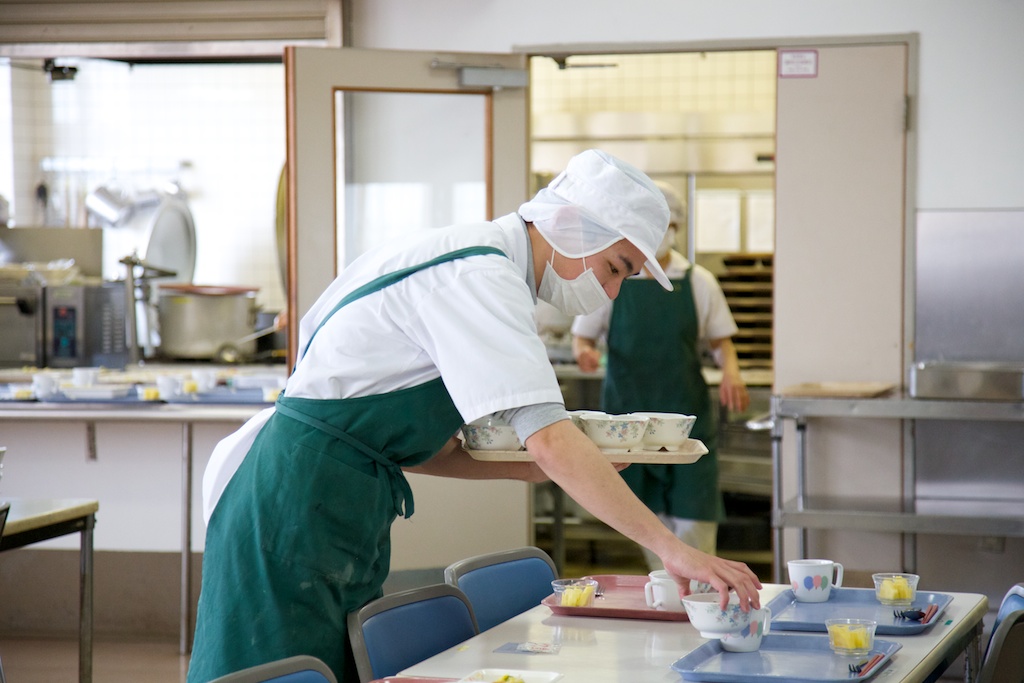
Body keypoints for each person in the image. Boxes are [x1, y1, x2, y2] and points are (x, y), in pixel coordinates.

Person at [187, 150, 761, 682]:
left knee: (334, 665)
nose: (611, 292)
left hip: (336, 501)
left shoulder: (487, 267)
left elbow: (427, 449)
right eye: (615, 267)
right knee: (278, 666)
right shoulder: (479, 274)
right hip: (289, 504)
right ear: (571, 226)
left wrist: (533, 470)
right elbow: (550, 440)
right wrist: (672, 548)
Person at [571, 180, 750, 569]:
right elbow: (583, 337)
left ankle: (700, 598)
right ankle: (667, 597)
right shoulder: (613, 275)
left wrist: (732, 374)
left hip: (686, 421)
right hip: (627, 423)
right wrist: (585, 354)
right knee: (643, 520)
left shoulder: (698, 282)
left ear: (677, 229)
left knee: (694, 517)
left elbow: (722, 341)